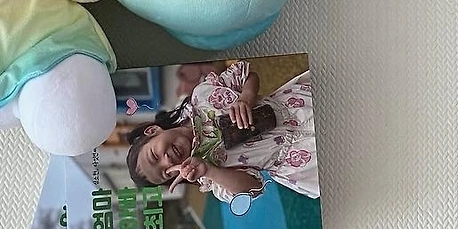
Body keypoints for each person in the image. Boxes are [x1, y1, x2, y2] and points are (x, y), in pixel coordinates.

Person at [126, 60, 318, 203]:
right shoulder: (211, 179)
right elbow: (253, 188)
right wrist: (210, 170)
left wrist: (246, 98)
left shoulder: (202, 97)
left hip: (298, 103)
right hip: (304, 161)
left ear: (153, 131)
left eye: (154, 156)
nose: (167, 162)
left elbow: (248, 76)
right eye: (166, 173)